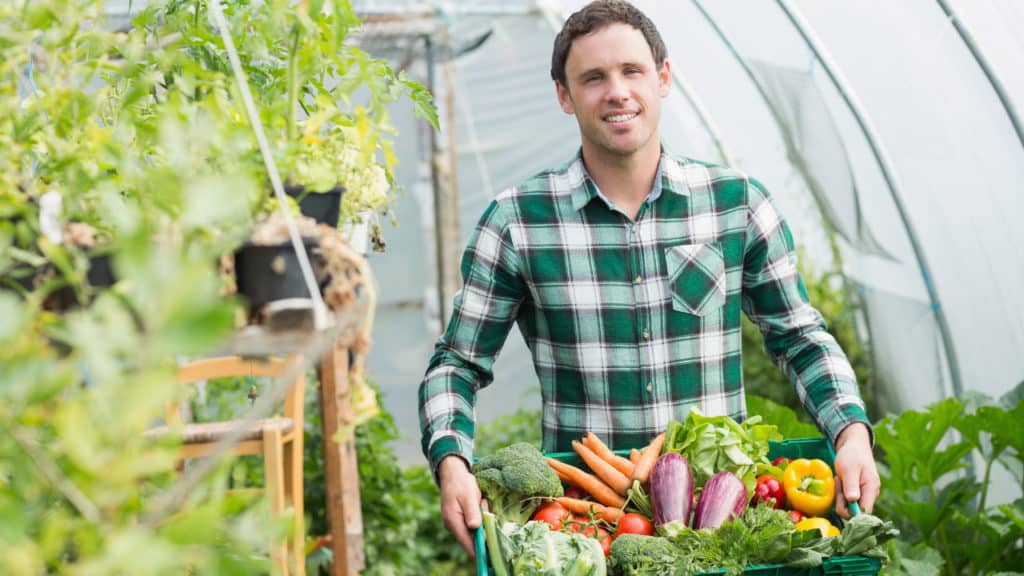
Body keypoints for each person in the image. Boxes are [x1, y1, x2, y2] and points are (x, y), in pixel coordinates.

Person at [418, 0, 879, 557]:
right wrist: (452, 461)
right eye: (593, 78)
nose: (616, 91)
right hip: (588, 530)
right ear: (564, 96)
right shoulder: (518, 222)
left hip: (721, 523)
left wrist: (851, 431)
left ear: (662, 77)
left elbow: (799, 339)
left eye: (631, 70)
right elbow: (457, 364)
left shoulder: (736, 205)